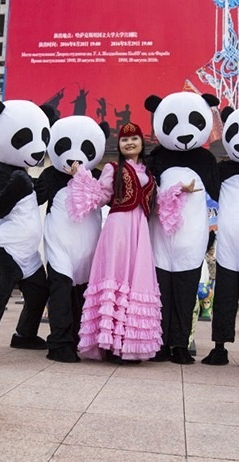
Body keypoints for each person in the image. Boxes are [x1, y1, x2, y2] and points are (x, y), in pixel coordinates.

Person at [76, 122, 163, 363]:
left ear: (142, 142)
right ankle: (110, 346)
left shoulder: (149, 173)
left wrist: (180, 190)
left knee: (136, 282)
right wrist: (81, 177)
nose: (129, 143)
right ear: (119, 145)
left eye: (134, 138)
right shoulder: (112, 168)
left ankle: (130, 346)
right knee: (117, 277)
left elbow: (156, 203)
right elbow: (102, 195)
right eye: (124, 139)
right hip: (119, 229)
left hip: (140, 231)